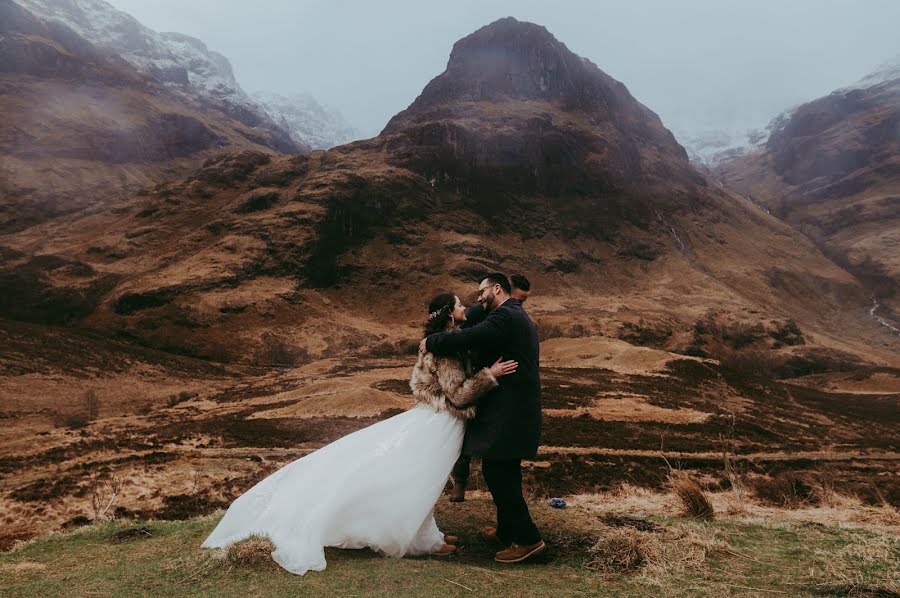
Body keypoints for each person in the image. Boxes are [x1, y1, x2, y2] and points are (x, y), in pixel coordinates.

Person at [202, 293, 518, 575]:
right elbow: (459, 395)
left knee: (425, 480)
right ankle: (416, 542)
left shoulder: (442, 340)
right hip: (441, 423)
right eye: (461, 305)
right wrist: (490, 375)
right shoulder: (446, 348)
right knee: (421, 479)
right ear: (450, 312)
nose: (467, 307)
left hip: (435, 418)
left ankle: (427, 536)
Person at [421, 273, 544, 564]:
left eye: (481, 292)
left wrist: (432, 341)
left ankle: (528, 540)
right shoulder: (507, 313)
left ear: (496, 289)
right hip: (513, 412)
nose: (478, 298)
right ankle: (507, 530)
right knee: (503, 470)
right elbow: (469, 319)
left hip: (510, 414)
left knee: (499, 474)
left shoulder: (505, 316)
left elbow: (469, 336)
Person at [449, 274, 532, 502]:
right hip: (475, 377)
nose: (519, 304)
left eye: (523, 301)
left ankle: (501, 502)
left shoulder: (507, 314)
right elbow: (464, 337)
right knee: (466, 432)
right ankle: (460, 482)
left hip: (489, 380)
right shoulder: (481, 312)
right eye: (518, 298)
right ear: (503, 289)